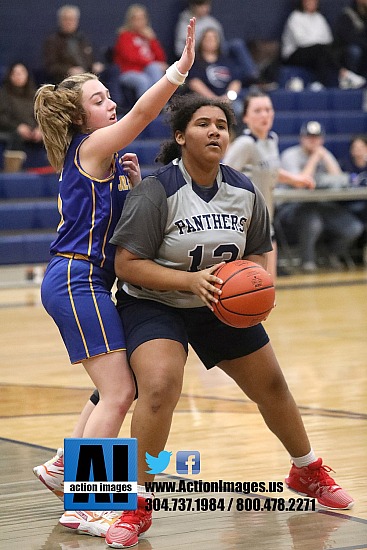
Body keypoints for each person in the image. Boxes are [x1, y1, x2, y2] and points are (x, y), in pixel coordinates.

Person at [102, 94, 353, 547]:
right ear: (181, 137)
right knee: (158, 387)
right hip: (154, 303)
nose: (216, 131)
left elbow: (260, 249)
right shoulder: (157, 190)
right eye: (203, 124)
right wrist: (189, 281)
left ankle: (307, 470)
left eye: (222, 124)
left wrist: (259, 283)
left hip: (219, 301)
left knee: (272, 384)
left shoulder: (243, 190)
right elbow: (126, 264)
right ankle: (132, 503)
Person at [33, 17, 196, 539]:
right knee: (120, 390)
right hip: (75, 279)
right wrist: (177, 71)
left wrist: (129, 187)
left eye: (110, 97)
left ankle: (63, 466)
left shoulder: (97, 160)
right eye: (102, 100)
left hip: (83, 280)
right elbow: (147, 111)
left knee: (111, 385)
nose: (112, 105)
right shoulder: (92, 145)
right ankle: (86, 504)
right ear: (84, 117)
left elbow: (114, 226)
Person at [223, 90, 315, 280]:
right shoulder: (244, 143)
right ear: (246, 117)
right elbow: (221, 176)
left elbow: (270, 171)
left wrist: (296, 179)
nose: (264, 115)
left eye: (268, 109)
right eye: (258, 111)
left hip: (266, 221)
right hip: (245, 225)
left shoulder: (271, 140)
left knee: (268, 285)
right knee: (253, 287)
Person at [277, 121, 364, 272]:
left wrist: (325, 156)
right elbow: (300, 182)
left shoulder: (324, 153)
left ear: (322, 139)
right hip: (292, 207)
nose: (313, 141)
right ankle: (307, 262)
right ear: (302, 138)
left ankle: (328, 255)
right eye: (309, 137)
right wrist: (315, 158)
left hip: (321, 205)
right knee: (312, 220)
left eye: (316, 137)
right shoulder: (290, 155)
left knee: (353, 227)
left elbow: (339, 180)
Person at [43, 4, 121, 104]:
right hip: (70, 77)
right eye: (66, 19)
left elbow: (94, 55)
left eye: (72, 19)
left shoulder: (82, 38)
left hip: (90, 73)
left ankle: (115, 104)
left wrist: (97, 63)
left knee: (113, 70)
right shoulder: (52, 41)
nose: (69, 22)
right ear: (60, 21)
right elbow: (50, 66)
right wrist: (69, 70)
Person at [281, 0, 366, 89]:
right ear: (303, 3)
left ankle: (323, 84)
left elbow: (328, 38)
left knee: (325, 52)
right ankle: (344, 74)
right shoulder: (295, 17)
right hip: (294, 54)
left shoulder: (319, 18)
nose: (312, 3)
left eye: (314, 2)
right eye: (308, 1)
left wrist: (320, 44)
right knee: (321, 50)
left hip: (317, 52)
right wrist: (318, 43)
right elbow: (301, 41)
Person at [175, 0, 260, 86]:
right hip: (197, 53)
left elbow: (220, 42)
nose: (204, 9)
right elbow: (179, 49)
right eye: (201, 6)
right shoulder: (185, 22)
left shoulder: (212, 21)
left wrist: (213, 45)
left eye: (206, 6)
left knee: (237, 44)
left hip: (218, 51)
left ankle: (253, 75)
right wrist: (200, 47)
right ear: (194, 6)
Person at [186, 27, 243, 121]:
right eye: (207, 38)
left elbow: (236, 81)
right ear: (201, 41)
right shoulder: (196, 61)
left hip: (227, 100)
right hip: (203, 100)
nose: (210, 41)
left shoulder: (226, 60)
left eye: (213, 38)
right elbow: (194, 82)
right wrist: (213, 99)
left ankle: (235, 135)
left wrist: (227, 98)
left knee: (239, 109)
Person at [113, 4, 168, 100]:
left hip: (147, 70)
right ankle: (144, 111)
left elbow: (161, 58)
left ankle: (161, 105)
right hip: (129, 71)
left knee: (155, 69)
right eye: (136, 19)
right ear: (130, 20)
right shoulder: (124, 36)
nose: (140, 22)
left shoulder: (148, 35)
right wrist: (152, 63)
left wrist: (152, 40)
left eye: (142, 18)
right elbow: (130, 57)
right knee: (144, 80)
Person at [0, 62, 44, 172]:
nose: (18, 76)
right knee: (15, 137)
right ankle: (12, 172)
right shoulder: (3, 94)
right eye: (15, 73)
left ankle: (56, 172)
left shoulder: (35, 94)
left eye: (21, 73)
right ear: (10, 76)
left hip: (33, 131)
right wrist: (18, 127)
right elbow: (2, 118)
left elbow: (42, 115)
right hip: (10, 131)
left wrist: (40, 128)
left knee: (52, 135)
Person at [334, 0, 367, 80]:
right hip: (348, 49)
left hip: (364, 46)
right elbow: (348, 38)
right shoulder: (348, 14)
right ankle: (352, 79)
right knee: (354, 51)